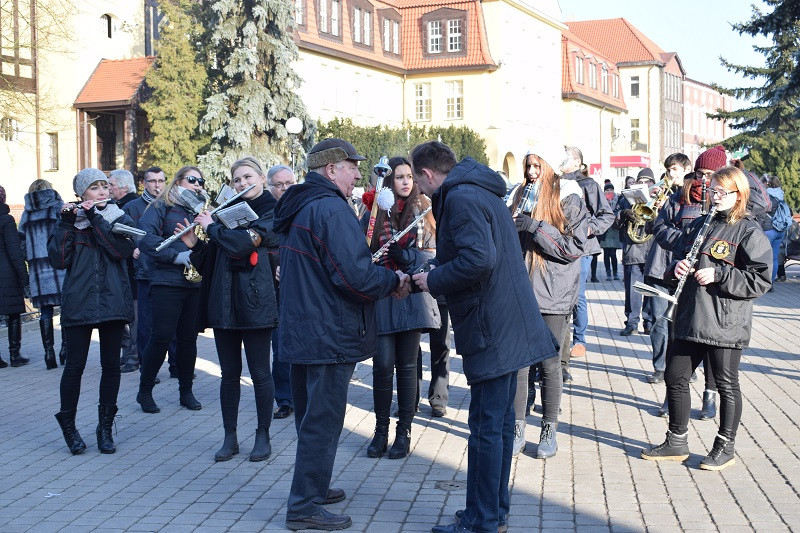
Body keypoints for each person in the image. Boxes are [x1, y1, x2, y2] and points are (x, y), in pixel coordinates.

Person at [409, 141, 557, 533]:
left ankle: (483, 520)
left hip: (494, 325)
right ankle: (494, 512)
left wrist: (432, 278)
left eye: (420, 183)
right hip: (506, 322)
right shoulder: (477, 189)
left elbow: (478, 259)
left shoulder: (459, 197)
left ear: (426, 173)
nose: (421, 193)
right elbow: (477, 252)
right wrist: (438, 265)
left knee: (487, 427)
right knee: (500, 423)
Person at [273, 138, 410, 531]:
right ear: (331, 170)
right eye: (351, 166)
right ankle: (303, 508)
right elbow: (354, 276)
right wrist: (393, 279)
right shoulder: (329, 208)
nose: (356, 174)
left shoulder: (301, 203)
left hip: (305, 329)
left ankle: (314, 486)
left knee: (311, 416)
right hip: (326, 331)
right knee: (323, 419)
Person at [642, 166, 771, 471]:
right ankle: (677, 440)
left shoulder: (749, 231)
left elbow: (760, 280)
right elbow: (685, 254)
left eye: (721, 192)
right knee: (675, 377)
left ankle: (725, 445)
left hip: (724, 321)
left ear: (738, 195)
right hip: (690, 315)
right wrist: (677, 270)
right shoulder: (702, 223)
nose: (714, 196)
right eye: (712, 190)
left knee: (726, 385)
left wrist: (720, 274)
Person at [179, 156, 279, 462]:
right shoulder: (224, 213)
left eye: (248, 177)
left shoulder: (272, 210)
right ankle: (230, 437)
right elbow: (211, 259)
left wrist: (213, 226)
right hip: (224, 300)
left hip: (256, 299)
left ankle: (263, 436)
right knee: (229, 373)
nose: (242, 184)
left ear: (262, 179)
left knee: (261, 372)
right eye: (236, 180)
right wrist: (195, 244)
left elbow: (243, 244)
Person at [48, 169, 136, 454]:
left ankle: (105, 428)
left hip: (112, 302)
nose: (102, 191)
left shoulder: (119, 217)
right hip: (79, 301)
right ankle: (69, 426)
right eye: (94, 187)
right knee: (75, 367)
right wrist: (66, 224)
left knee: (111, 365)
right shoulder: (70, 222)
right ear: (81, 194)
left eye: (104, 186)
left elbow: (119, 251)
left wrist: (96, 218)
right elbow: (59, 260)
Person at [509, 149, 588, 458]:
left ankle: (549, 429)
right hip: (521, 289)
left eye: (537, 166)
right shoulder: (520, 193)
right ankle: (517, 427)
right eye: (528, 166)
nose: (531, 172)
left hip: (553, 292)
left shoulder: (569, 197)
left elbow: (573, 247)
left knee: (549, 362)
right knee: (519, 363)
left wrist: (536, 227)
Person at [365, 156, 440, 460]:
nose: (406, 181)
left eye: (409, 176)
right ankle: (380, 429)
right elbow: (364, 247)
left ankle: (404, 431)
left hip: (411, 295)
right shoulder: (375, 210)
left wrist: (407, 257)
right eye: (399, 177)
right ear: (389, 181)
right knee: (382, 365)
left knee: (407, 366)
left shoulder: (423, 210)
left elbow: (434, 254)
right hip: (383, 292)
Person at [136, 166, 207, 413]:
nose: (197, 184)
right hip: (166, 281)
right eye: (192, 179)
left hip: (193, 282)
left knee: (188, 339)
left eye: (201, 180)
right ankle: (144, 391)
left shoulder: (201, 209)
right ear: (178, 181)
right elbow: (144, 237)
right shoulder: (160, 206)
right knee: (161, 337)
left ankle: (186, 392)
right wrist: (175, 256)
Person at [559, 147, 614, 370]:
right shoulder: (555, 181)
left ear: (577, 162)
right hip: (557, 244)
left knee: (577, 294)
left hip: (582, 247)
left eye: (565, 157)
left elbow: (606, 214)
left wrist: (588, 229)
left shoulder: (588, 185)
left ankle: (580, 340)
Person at [642, 153, 693, 385]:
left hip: (682, 264)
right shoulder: (660, 194)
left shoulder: (694, 195)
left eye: (673, 169)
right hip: (658, 265)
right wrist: (652, 207)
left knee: (684, 320)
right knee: (658, 319)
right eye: (668, 169)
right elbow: (647, 225)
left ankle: (686, 368)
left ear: (685, 169)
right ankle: (660, 367)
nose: (669, 174)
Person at [18, 179, 67, 369]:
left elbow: (20, 240)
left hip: (38, 272)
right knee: (66, 309)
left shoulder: (26, 214)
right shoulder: (57, 209)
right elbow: (66, 235)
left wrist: (30, 256)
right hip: (59, 266)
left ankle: (49, 353)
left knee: (45, 312)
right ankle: (65, 350)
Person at [266, 164, 297, 420]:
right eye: (280, 184)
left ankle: (301, 394)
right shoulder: (268, 211)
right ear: (270, 188)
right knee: (280, 348)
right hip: (272, 290)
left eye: (289, 183)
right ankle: (284, 399)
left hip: (300, 287)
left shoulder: (302, 208)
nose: (286, 188)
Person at [616, 168, 656, 336]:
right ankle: (631, 323)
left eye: (648, 181)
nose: (644, 184)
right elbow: (613, 220)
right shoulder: (626, 199)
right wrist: (623, 214)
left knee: (649, 289)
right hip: (632, 249)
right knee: (632, 290)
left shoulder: (658, 198)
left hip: (652, 250)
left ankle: (648, 322)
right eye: (642, 181)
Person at [108, 169, 140, 371]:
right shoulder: (116, 206)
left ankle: (134, 356)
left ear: (124, 187)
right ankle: (127, 353)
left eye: (111, 185)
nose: (108, 188)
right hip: (122, 269)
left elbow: (135, 238)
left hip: (132, 269)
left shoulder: (132, 207)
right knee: (124, 315)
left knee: (134, 316)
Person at [0, 184, 29, 368]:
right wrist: (23, 278)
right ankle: (14, 355)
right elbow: (15, 252)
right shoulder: (6, 220)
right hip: (7, 274)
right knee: (13, 314)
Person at [761, 175, 789, 284]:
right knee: (774, 258)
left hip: (769, 229)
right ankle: (771, 282)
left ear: (768, 184)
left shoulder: (768, 196)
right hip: (780, 230)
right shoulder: (780, 194)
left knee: (765, 256)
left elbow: (763, 211)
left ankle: (765, 282)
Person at [597, 182, 622, 281]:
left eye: (611, 189)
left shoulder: (618, 199)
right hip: (606, 229)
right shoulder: (602, 200)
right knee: (606, 253)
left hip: (614, 229)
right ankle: (608, 273)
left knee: (613, 253)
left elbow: (619, 210)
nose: (609, 192)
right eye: (607, 190)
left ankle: (615, 272)